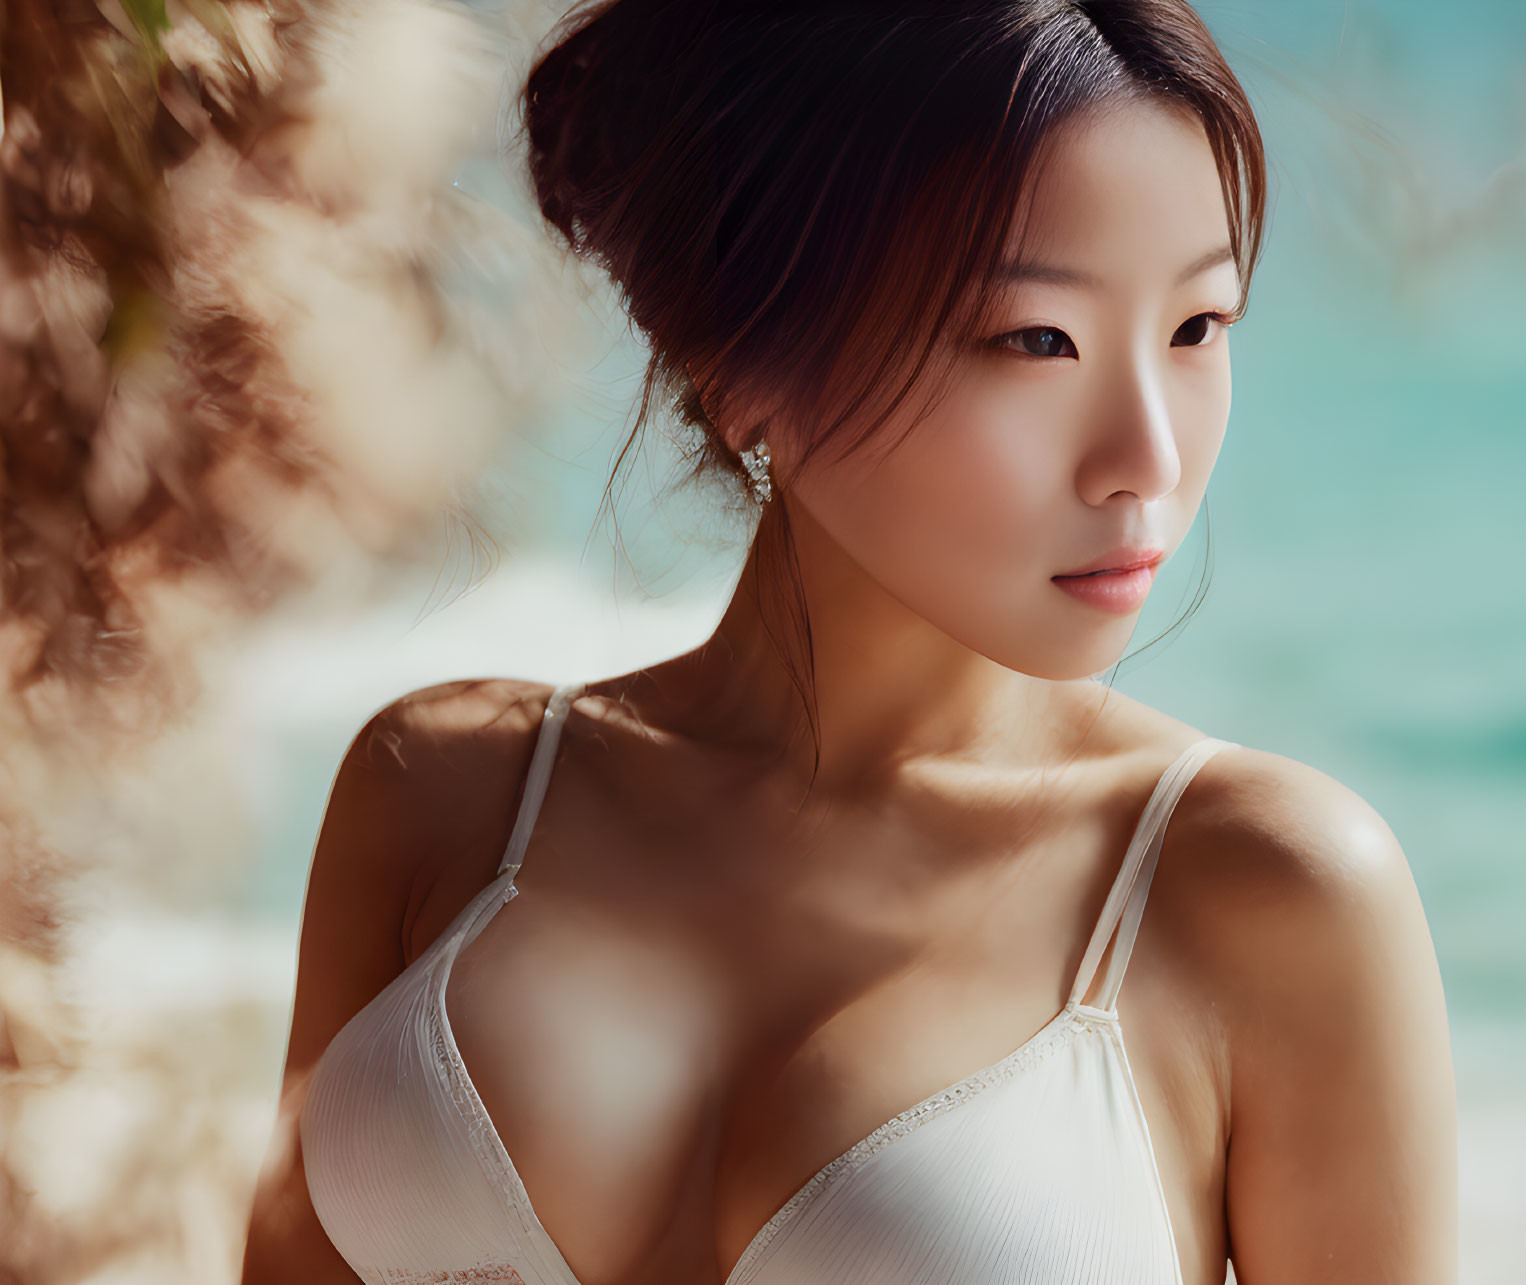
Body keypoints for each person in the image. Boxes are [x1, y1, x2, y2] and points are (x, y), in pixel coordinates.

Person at [241, 2, 1459, 1282]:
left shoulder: (1268, 892)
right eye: (1037, 340)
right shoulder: (442, 794)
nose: (1145, 459)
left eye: (1198, 328)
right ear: (742, 362)